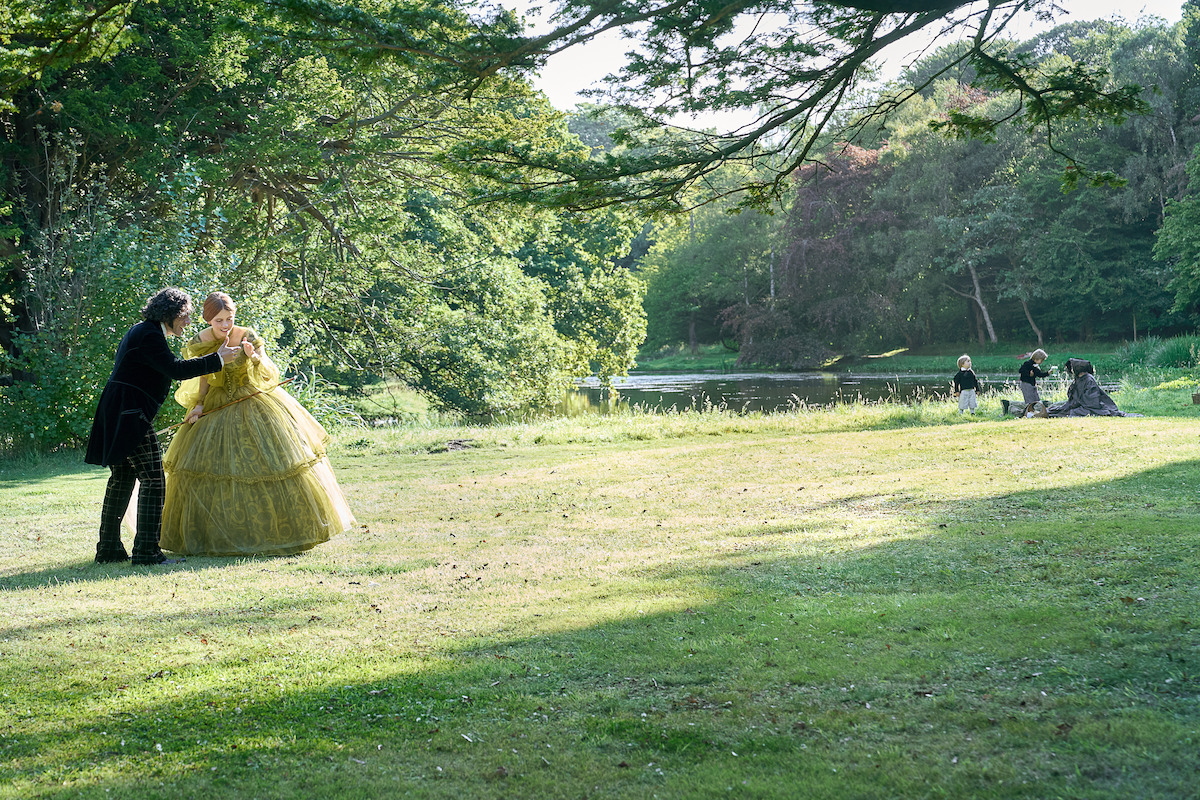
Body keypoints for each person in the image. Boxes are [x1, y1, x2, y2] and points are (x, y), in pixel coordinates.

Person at [159, 292, 355, 556]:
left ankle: (283, 533)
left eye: (229, 319)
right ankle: (217, 536)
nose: (225, 325)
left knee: (273, 464)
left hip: (252, 401)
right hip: (217, 406)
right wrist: (199, 404)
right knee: (207, 468)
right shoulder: (200, 341)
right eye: (219, 321)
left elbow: (269, 374)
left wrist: (254, 357)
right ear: (208, 320)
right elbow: (203, 373)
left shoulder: (247, 336)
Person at [85, 288, 241, 565]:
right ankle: (146, 552)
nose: (188, 322)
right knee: (154, 481)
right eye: (185, 316)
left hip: (119, 412)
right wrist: (219, 359)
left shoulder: (144, 331)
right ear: (171, 315)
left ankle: (108, 550)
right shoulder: (148, 335)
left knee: (121, 480)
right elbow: (176, 370)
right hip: (129, 415)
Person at [1047, 359, 1142, 417]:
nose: (1071, 370)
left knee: (1073, 412)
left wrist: (1078, 403)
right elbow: (1072, 394)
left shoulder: (1089, 379)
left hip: (1091, 406)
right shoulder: (1078, 379)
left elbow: (1092, 399)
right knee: (1059, 409)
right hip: (1080, 404)